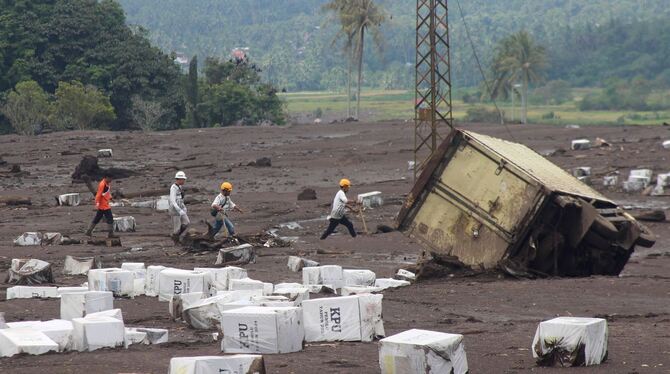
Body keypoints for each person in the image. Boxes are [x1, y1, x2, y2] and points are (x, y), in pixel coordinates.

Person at [85, 174, 117, 238]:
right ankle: (110, 233)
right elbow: (98, 195)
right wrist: (97, 203)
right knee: (110, 218)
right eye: (110, 178)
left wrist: (111, 198)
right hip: (103, 206)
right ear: (106, 177)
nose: (111, 180)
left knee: (97, 218)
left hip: (104, 204)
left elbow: (107, 193)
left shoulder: (107, 183)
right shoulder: (102, 184)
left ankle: (88, 231)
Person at [169, 171, 189, 243]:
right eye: (183, 179)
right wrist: (179, 210)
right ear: (179, 179)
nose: (184, 181)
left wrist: (183, 208)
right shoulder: (173, 188)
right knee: (177, 228)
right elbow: (173, 201)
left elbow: (180, 199)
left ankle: (176, 236)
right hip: (175, 209)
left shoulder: (180, 187)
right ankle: (176, 241)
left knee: (186, 223)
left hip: (180, 207)